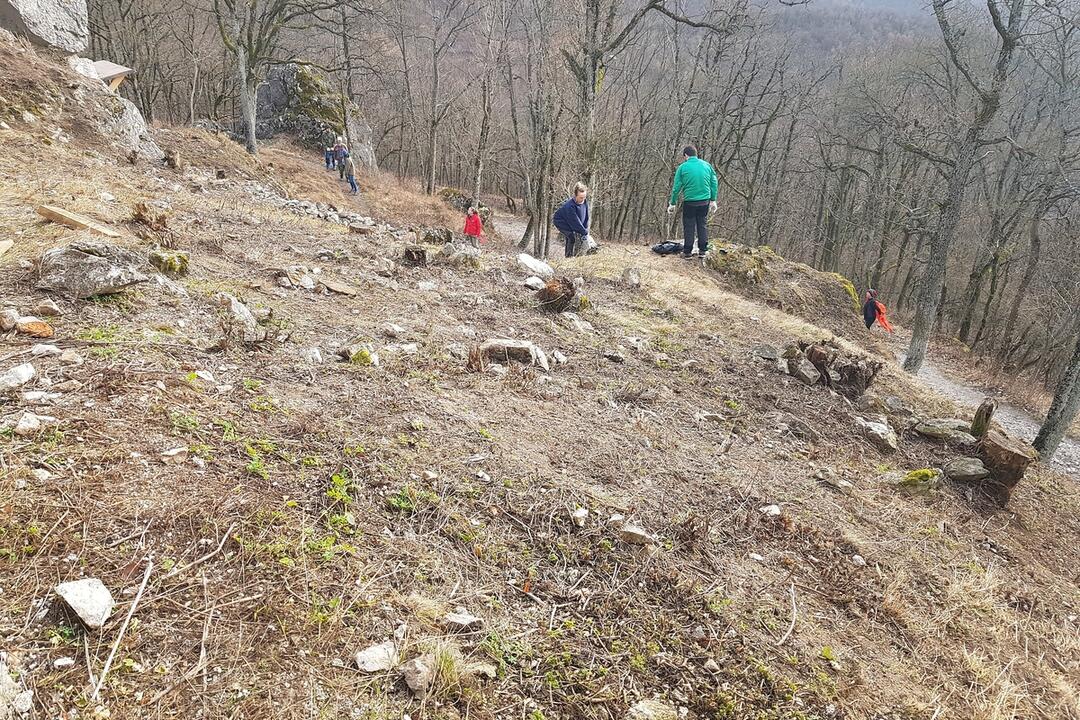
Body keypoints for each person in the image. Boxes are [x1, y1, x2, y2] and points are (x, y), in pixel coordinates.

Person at [667, 145, 718, 259]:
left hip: (690, 201)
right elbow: (714, 183)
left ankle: (688, 252)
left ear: (685, 155)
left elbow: (676, 187)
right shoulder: (707, 165)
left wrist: (673, 203)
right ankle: (703, 251)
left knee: (689, 225)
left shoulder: (683, 167)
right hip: (704, 201)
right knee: (702, 224)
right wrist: (713, 200)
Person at [553, 182, 593, 258]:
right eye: (581, 197)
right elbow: (575, 222)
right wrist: (584, 232)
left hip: (571, 221)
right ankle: (568, 257)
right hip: (560, 221)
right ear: (575, 195)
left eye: (584, 197)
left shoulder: (585, 202)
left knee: (578, 235)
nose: (583, 199)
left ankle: (575, 255)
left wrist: (585, 229)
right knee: (571, 237)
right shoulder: (570, 206)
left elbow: (586, 217)